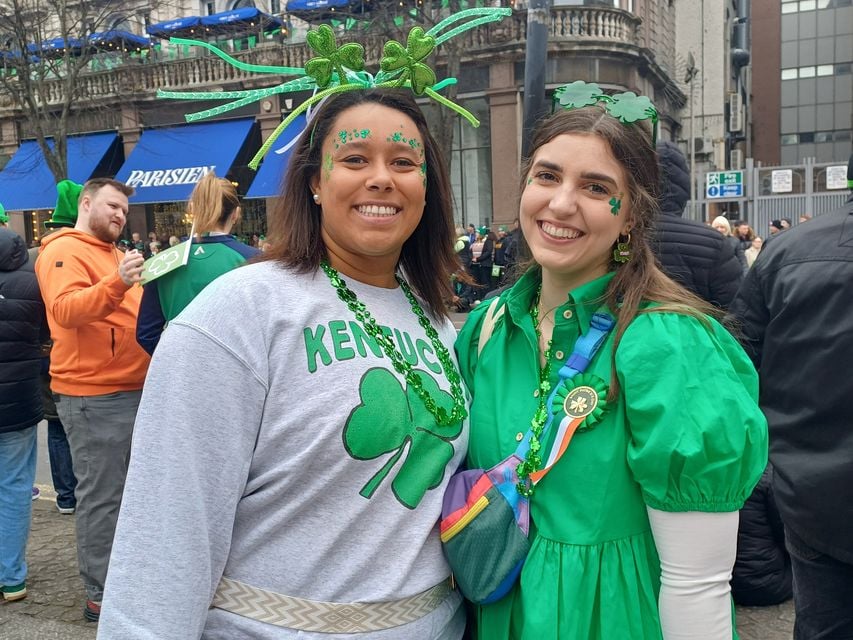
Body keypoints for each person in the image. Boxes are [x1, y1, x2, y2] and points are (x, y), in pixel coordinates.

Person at [99, 89, 468, 638]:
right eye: (354, 159)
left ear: (426, 188)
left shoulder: (436, 321)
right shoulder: (239, 310)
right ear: (315, 182)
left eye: (404, 163)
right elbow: (166, 533)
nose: (382, 178)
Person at [455, 85, 767, 639]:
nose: (561, 203)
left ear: (631, 217)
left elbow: (697, 584)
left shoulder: (668, 346)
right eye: (547, 176)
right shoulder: (489, 327)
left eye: (596, 188)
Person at [728, 155, 853, 639]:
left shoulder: (785, 252)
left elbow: (737, 366)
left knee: (825, 623)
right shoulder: (784, 253)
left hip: (809, 488)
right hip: (806, 485)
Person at [35, 177, 150, 622]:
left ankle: (123, 576)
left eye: (124, 209)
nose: (120, 215)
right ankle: (100, 593)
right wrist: (119, 282)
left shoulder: (116, 254)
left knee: (126, 494)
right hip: (94, 394)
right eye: (112, 206)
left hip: (130, 388)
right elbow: (65, 310)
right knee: (103, 496)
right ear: (86, 203)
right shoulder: (64, 250)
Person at [136, 172, 260, 355]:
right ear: (236, 214)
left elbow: (146, 333)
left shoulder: (161, 263)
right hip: (240, 372)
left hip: (182, 374)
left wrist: (177, 365)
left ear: (192, 210)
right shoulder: (256, 260)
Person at [27, 180, 85, 516]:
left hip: (43, 350)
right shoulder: (81, 252)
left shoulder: (34, 255)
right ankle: (77, 492)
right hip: (69, 350)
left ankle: (65, 495)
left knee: (57, 425)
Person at [0, 227, 48, 603]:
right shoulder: (32, 282)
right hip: (17, 400)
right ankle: (11, 576)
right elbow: (47, 334)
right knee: (15, 487)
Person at [653, 142, 744, 309]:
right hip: (695, 331)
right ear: (685, 188)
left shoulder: (617, 235)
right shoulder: (714, 243)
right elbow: (736, 312)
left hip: (623, 333)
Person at [731, 464, 793, 607]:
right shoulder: (766, 475)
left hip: (726, 582)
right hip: (767, 584)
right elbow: (785, 532)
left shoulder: (712, 474)